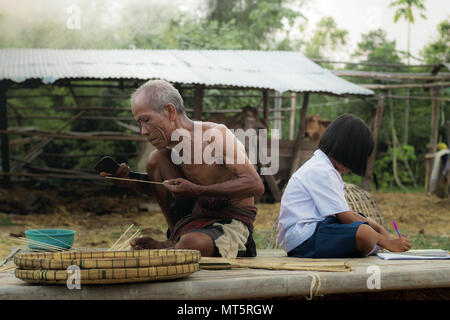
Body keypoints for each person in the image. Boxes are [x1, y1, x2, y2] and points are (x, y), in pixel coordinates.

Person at [101, 80, 264, 258]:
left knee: (191, 244)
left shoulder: (215, 136)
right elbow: (164, 188)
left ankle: (174, 247)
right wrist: (129, 181)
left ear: (170, 111)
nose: (143, 131)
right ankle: (174, 240)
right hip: (192, 225)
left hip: (230, 225)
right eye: (140, 123)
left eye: (146, 120)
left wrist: (197, 190)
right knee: (156, 159)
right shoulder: (167, 152)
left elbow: (255, 185)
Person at [277, 114, 411, 258]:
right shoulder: (321, 171)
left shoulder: (324, 167)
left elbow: (344, 213)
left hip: (314, 232)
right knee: (365, 234)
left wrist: (378, 228)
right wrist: (386, 242)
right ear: (348, 153)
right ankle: (371, 244)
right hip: (304, 238)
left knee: (365, 225)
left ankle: (369, 244)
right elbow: (345, 217)